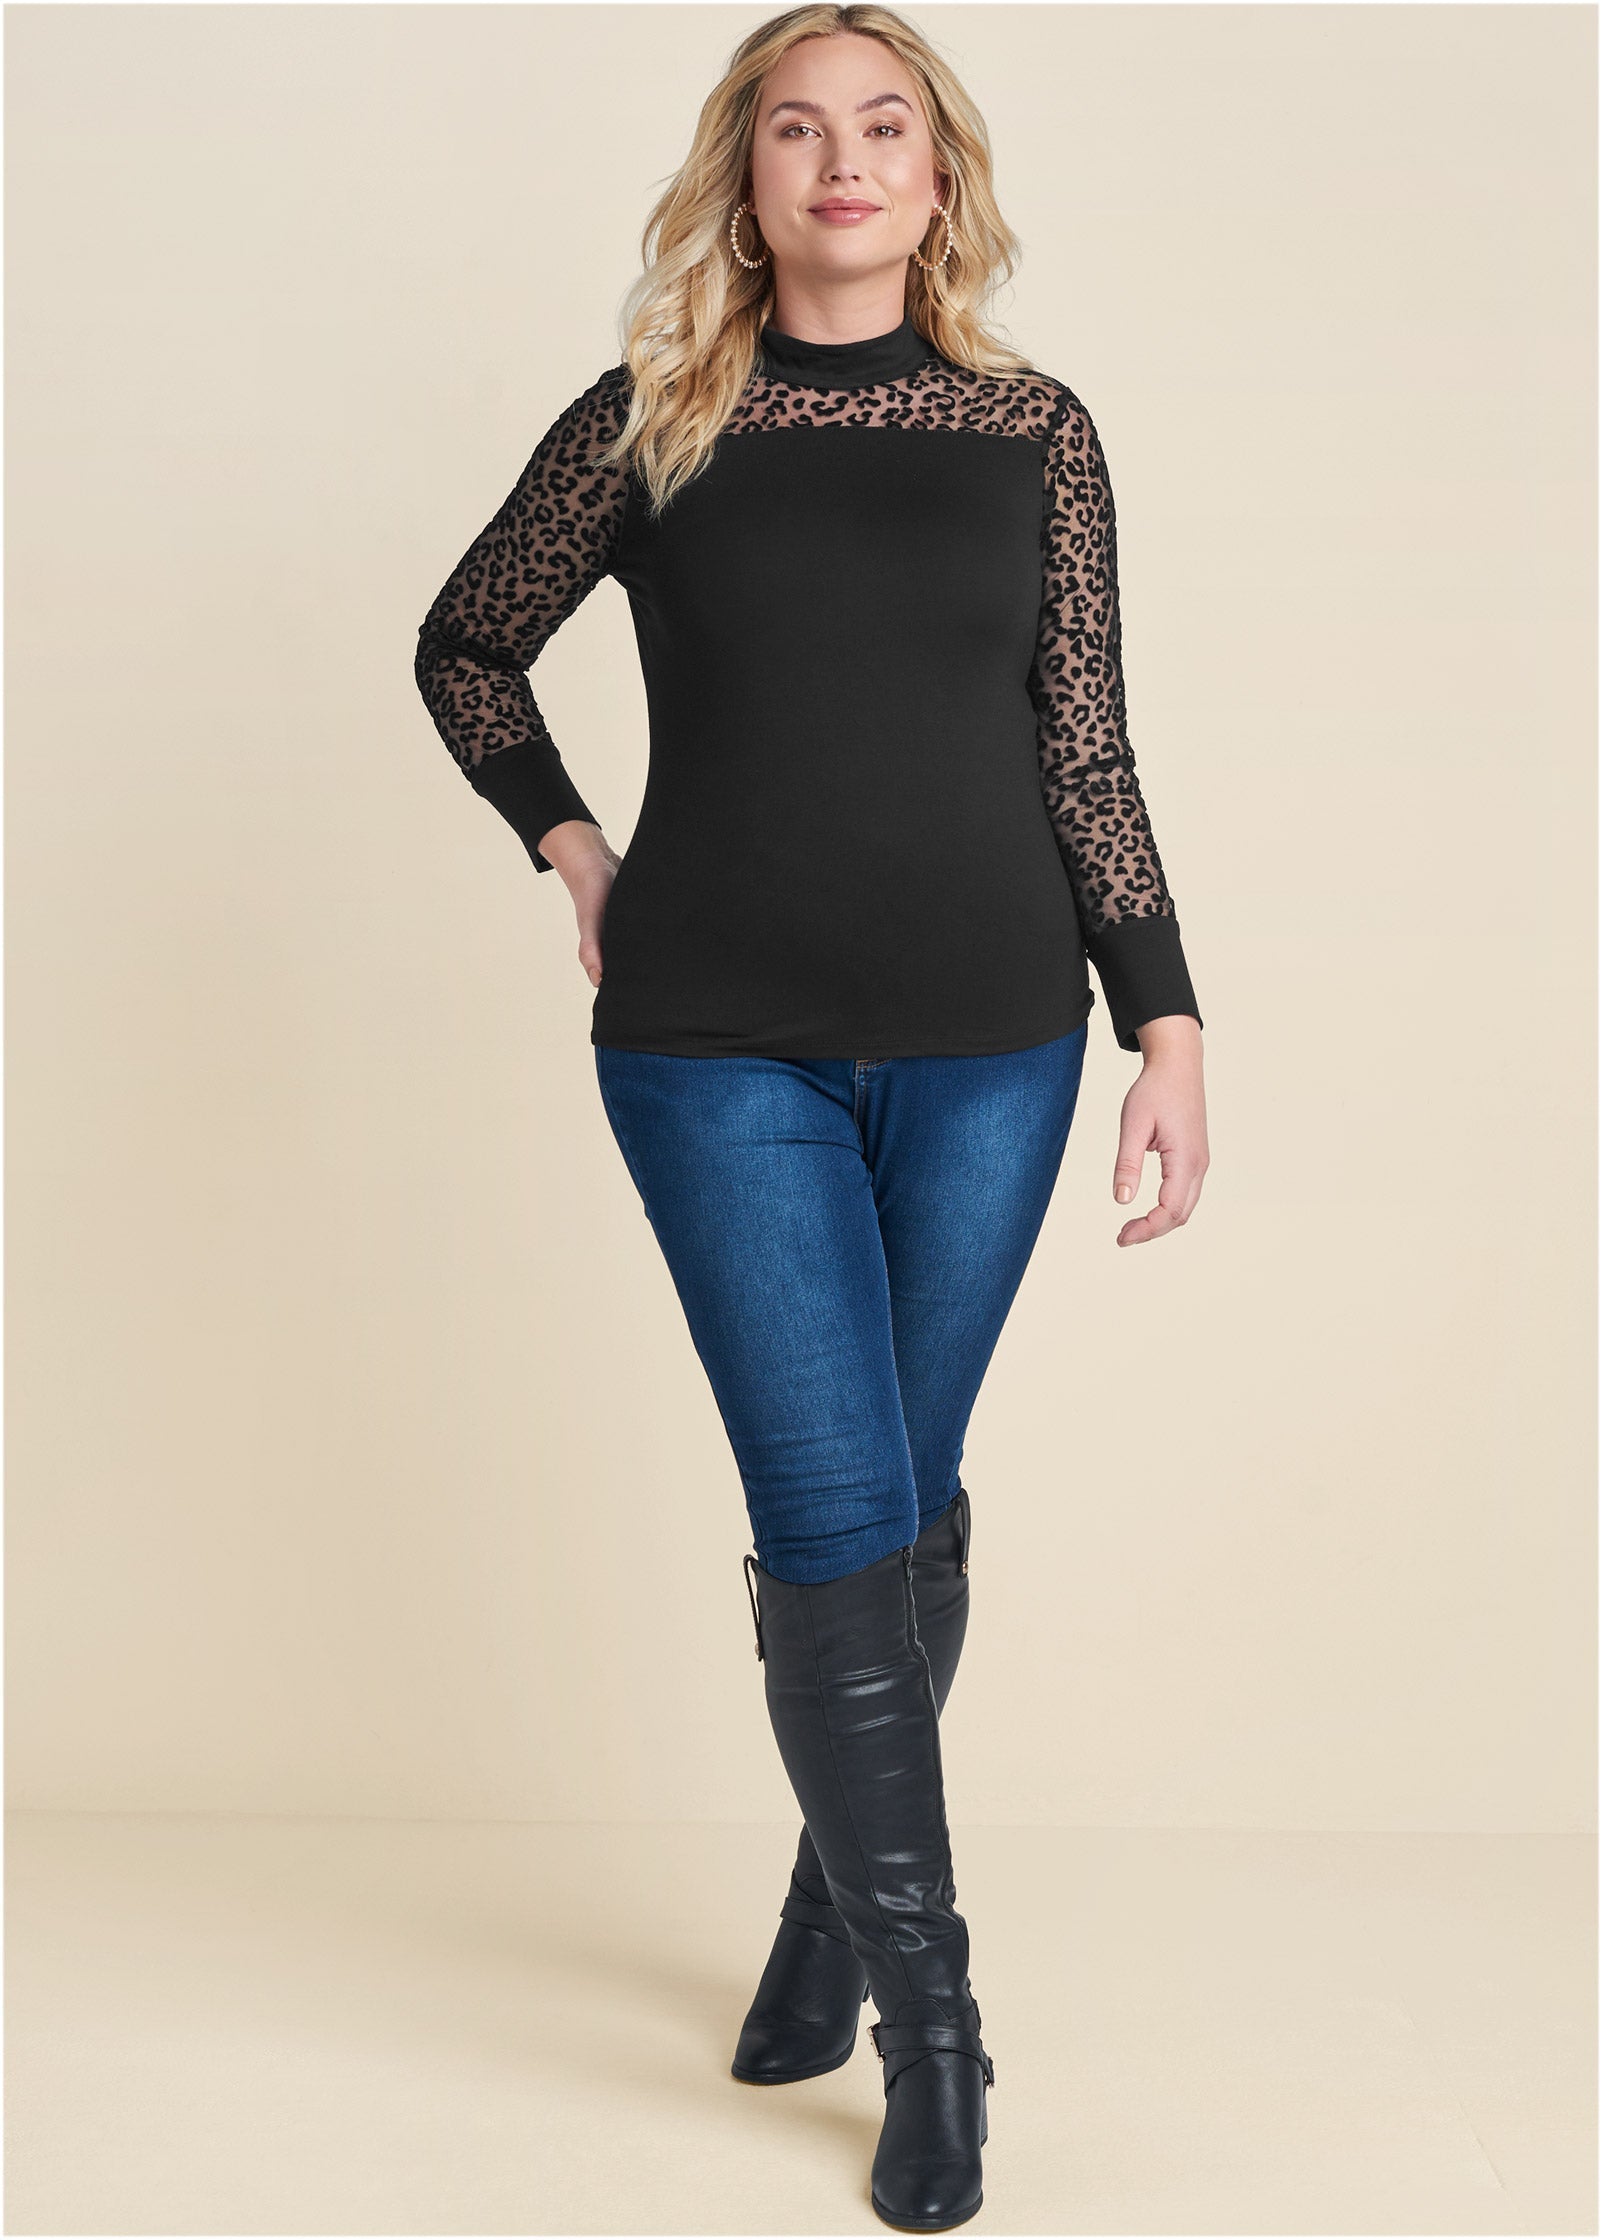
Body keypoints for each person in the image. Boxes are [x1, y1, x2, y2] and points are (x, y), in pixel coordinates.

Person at [413, 4, 1209, 2226]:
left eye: (883, 126)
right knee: (835, 1502)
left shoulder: (1033, 432)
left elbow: (1084, 742)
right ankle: (938, 2035)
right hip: (713, 1047)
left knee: (903, 1504)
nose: (842, 160)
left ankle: (820, 1919)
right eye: (796, 128)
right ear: (744, 176)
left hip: (993, 1047)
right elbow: (467, 644)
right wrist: (572, 845)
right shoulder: (652, 421)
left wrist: (1163, 1020)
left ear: (937, 175)